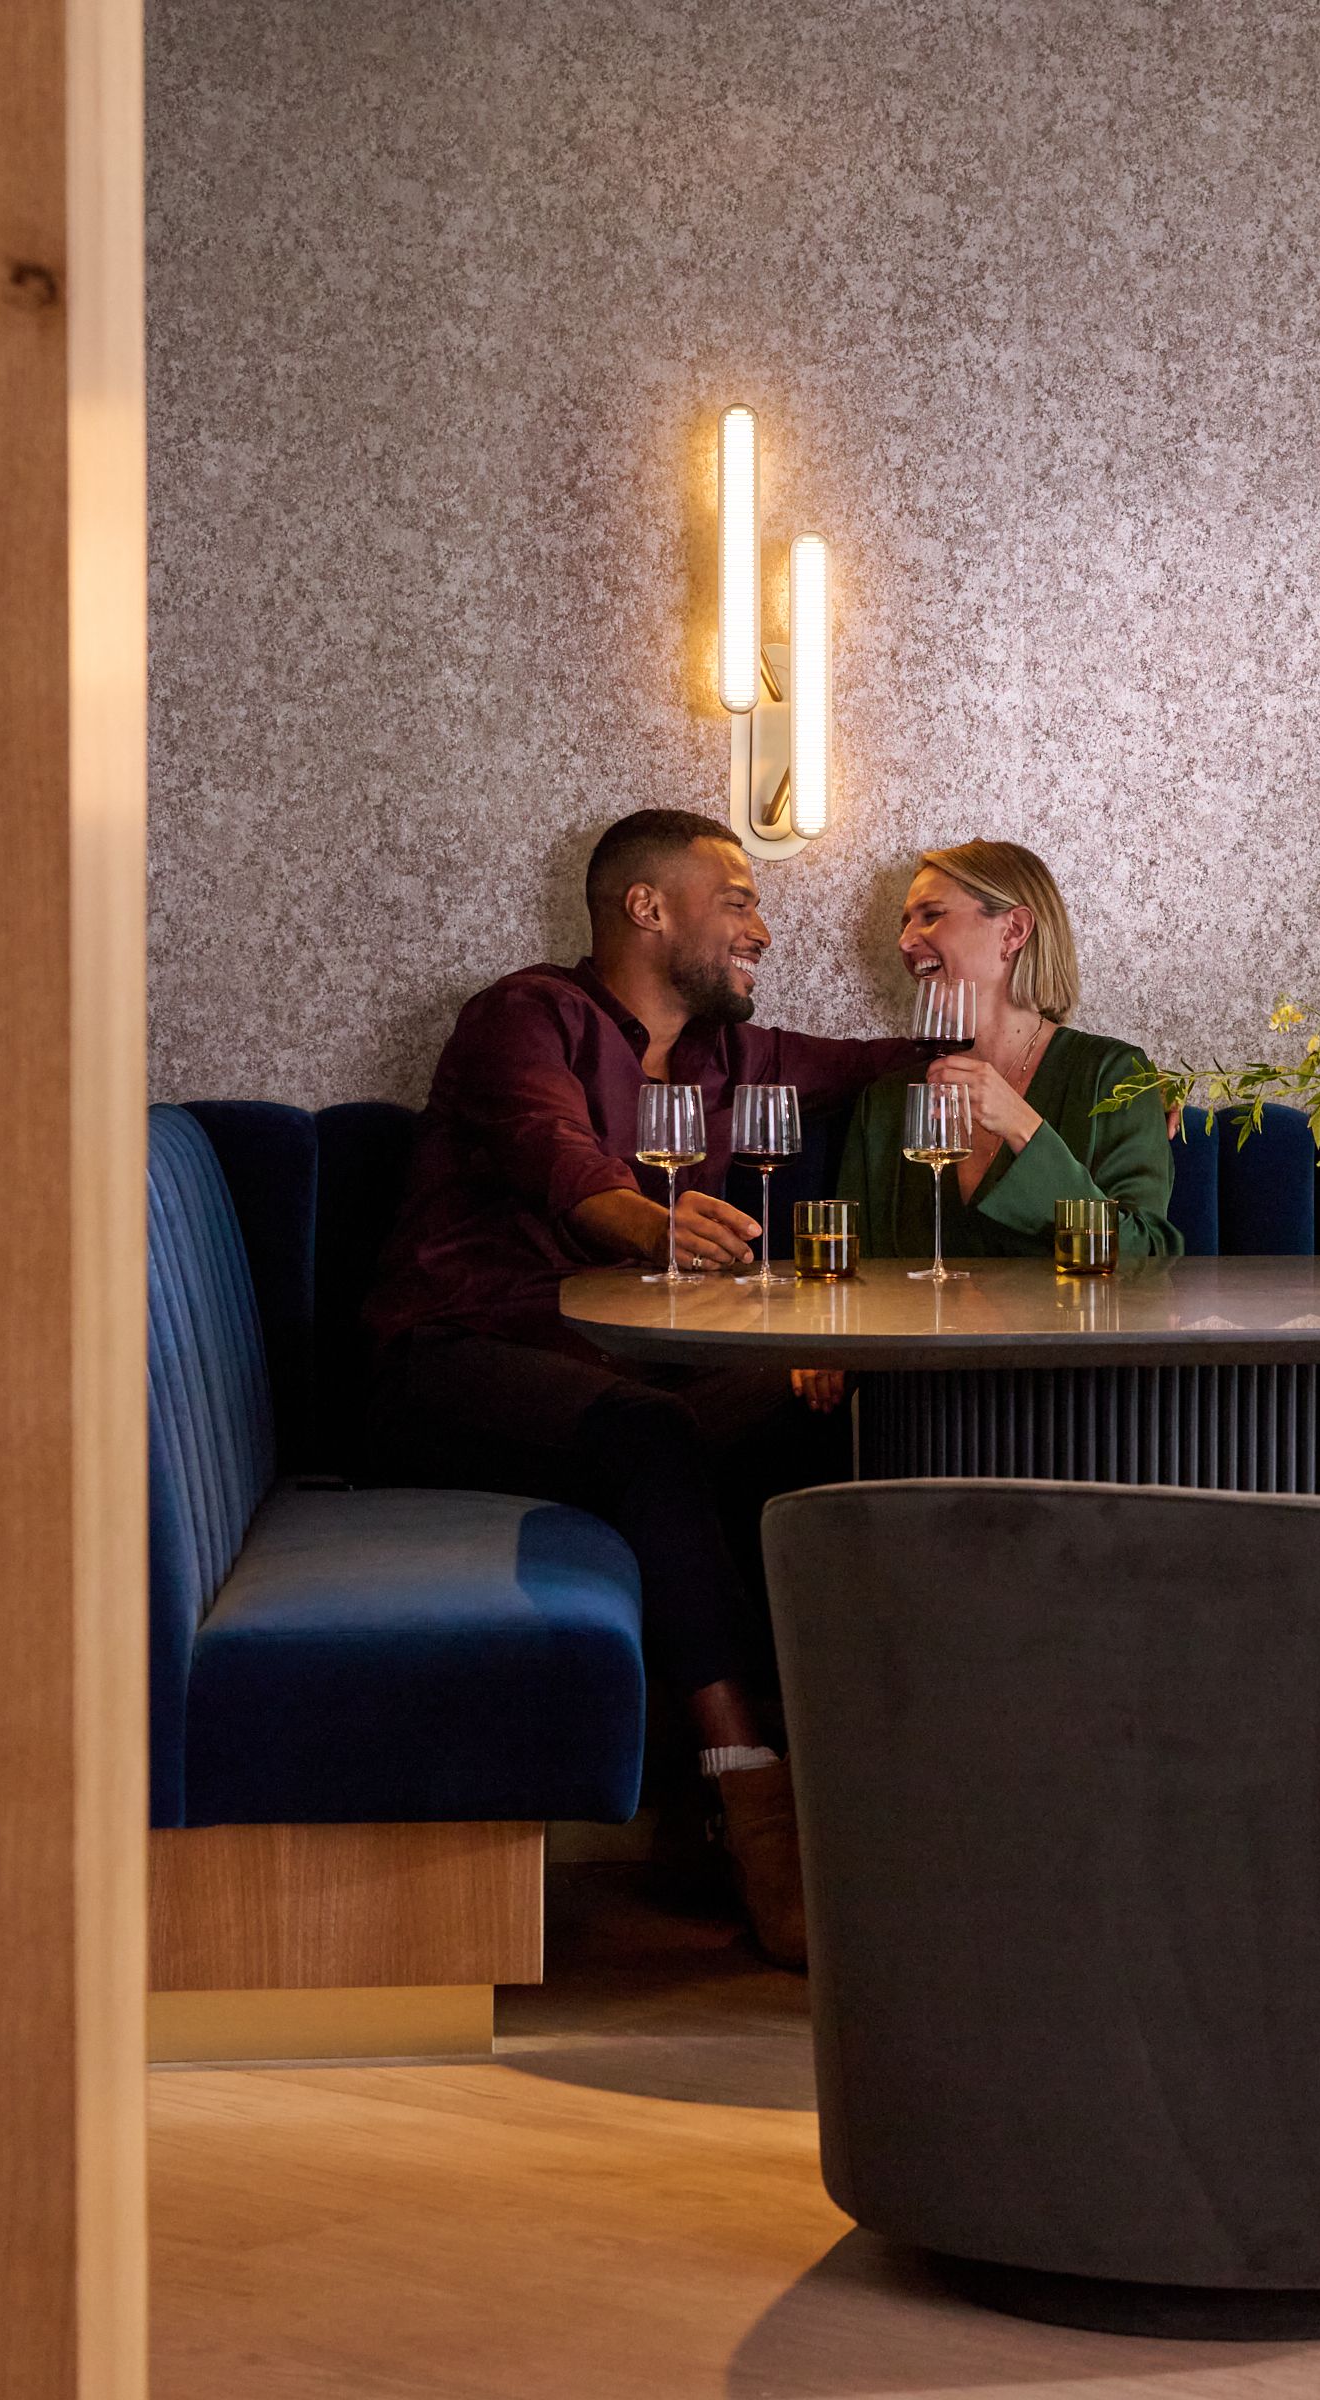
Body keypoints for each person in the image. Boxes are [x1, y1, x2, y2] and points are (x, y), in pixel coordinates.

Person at [361, 806, 920, 1968]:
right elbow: (557, 1157)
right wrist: (650, 1225)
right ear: (647, 906)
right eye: (739, 899)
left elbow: (885, 1066)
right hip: (447, 1361)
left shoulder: (732, 1059)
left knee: (828, 1402)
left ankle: (867, 1779)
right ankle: (744, 1789)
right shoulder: (526, 1016)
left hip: (614, 1373)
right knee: (650, 1433)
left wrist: (1083, 1084)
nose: (763, 929)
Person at [832, 840, 1182, 1260]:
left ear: (1014, 931)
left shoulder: (1113, 1077)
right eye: (905, 923)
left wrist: (1022, 1128)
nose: (905, 942)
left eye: (932, 915)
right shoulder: (885, 1103)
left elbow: (1146, 1256)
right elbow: (849, 1270)